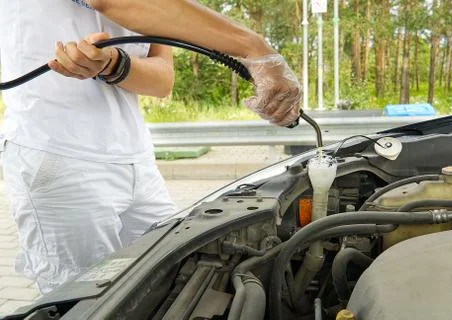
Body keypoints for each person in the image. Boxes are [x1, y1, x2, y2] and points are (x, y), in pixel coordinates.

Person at [0, 0, 301, 294]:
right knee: (81, 301)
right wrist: (255, 48)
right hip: (59, 152)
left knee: (167, 283)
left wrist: (112, 63)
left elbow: (162, 80)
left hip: (135, 160)